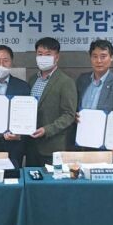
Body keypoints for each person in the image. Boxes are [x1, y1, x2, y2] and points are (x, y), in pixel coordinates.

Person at [75, 39, 113, 158]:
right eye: (95, 56)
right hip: (82, 141)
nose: (99, 61)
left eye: (103, 56)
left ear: (111, 58)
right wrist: (74, 115)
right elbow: (75, 107)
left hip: (106, 146)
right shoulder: (82, 79)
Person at [28, 37, 77, 166]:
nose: (43, 57)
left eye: (48, 54)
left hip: (53, 146)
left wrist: (47, 130)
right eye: (40, 54)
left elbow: (69, 115)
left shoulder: (66, 82)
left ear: (57, 57)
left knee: (49, 179)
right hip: (31, 145)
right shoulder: (32, 80)